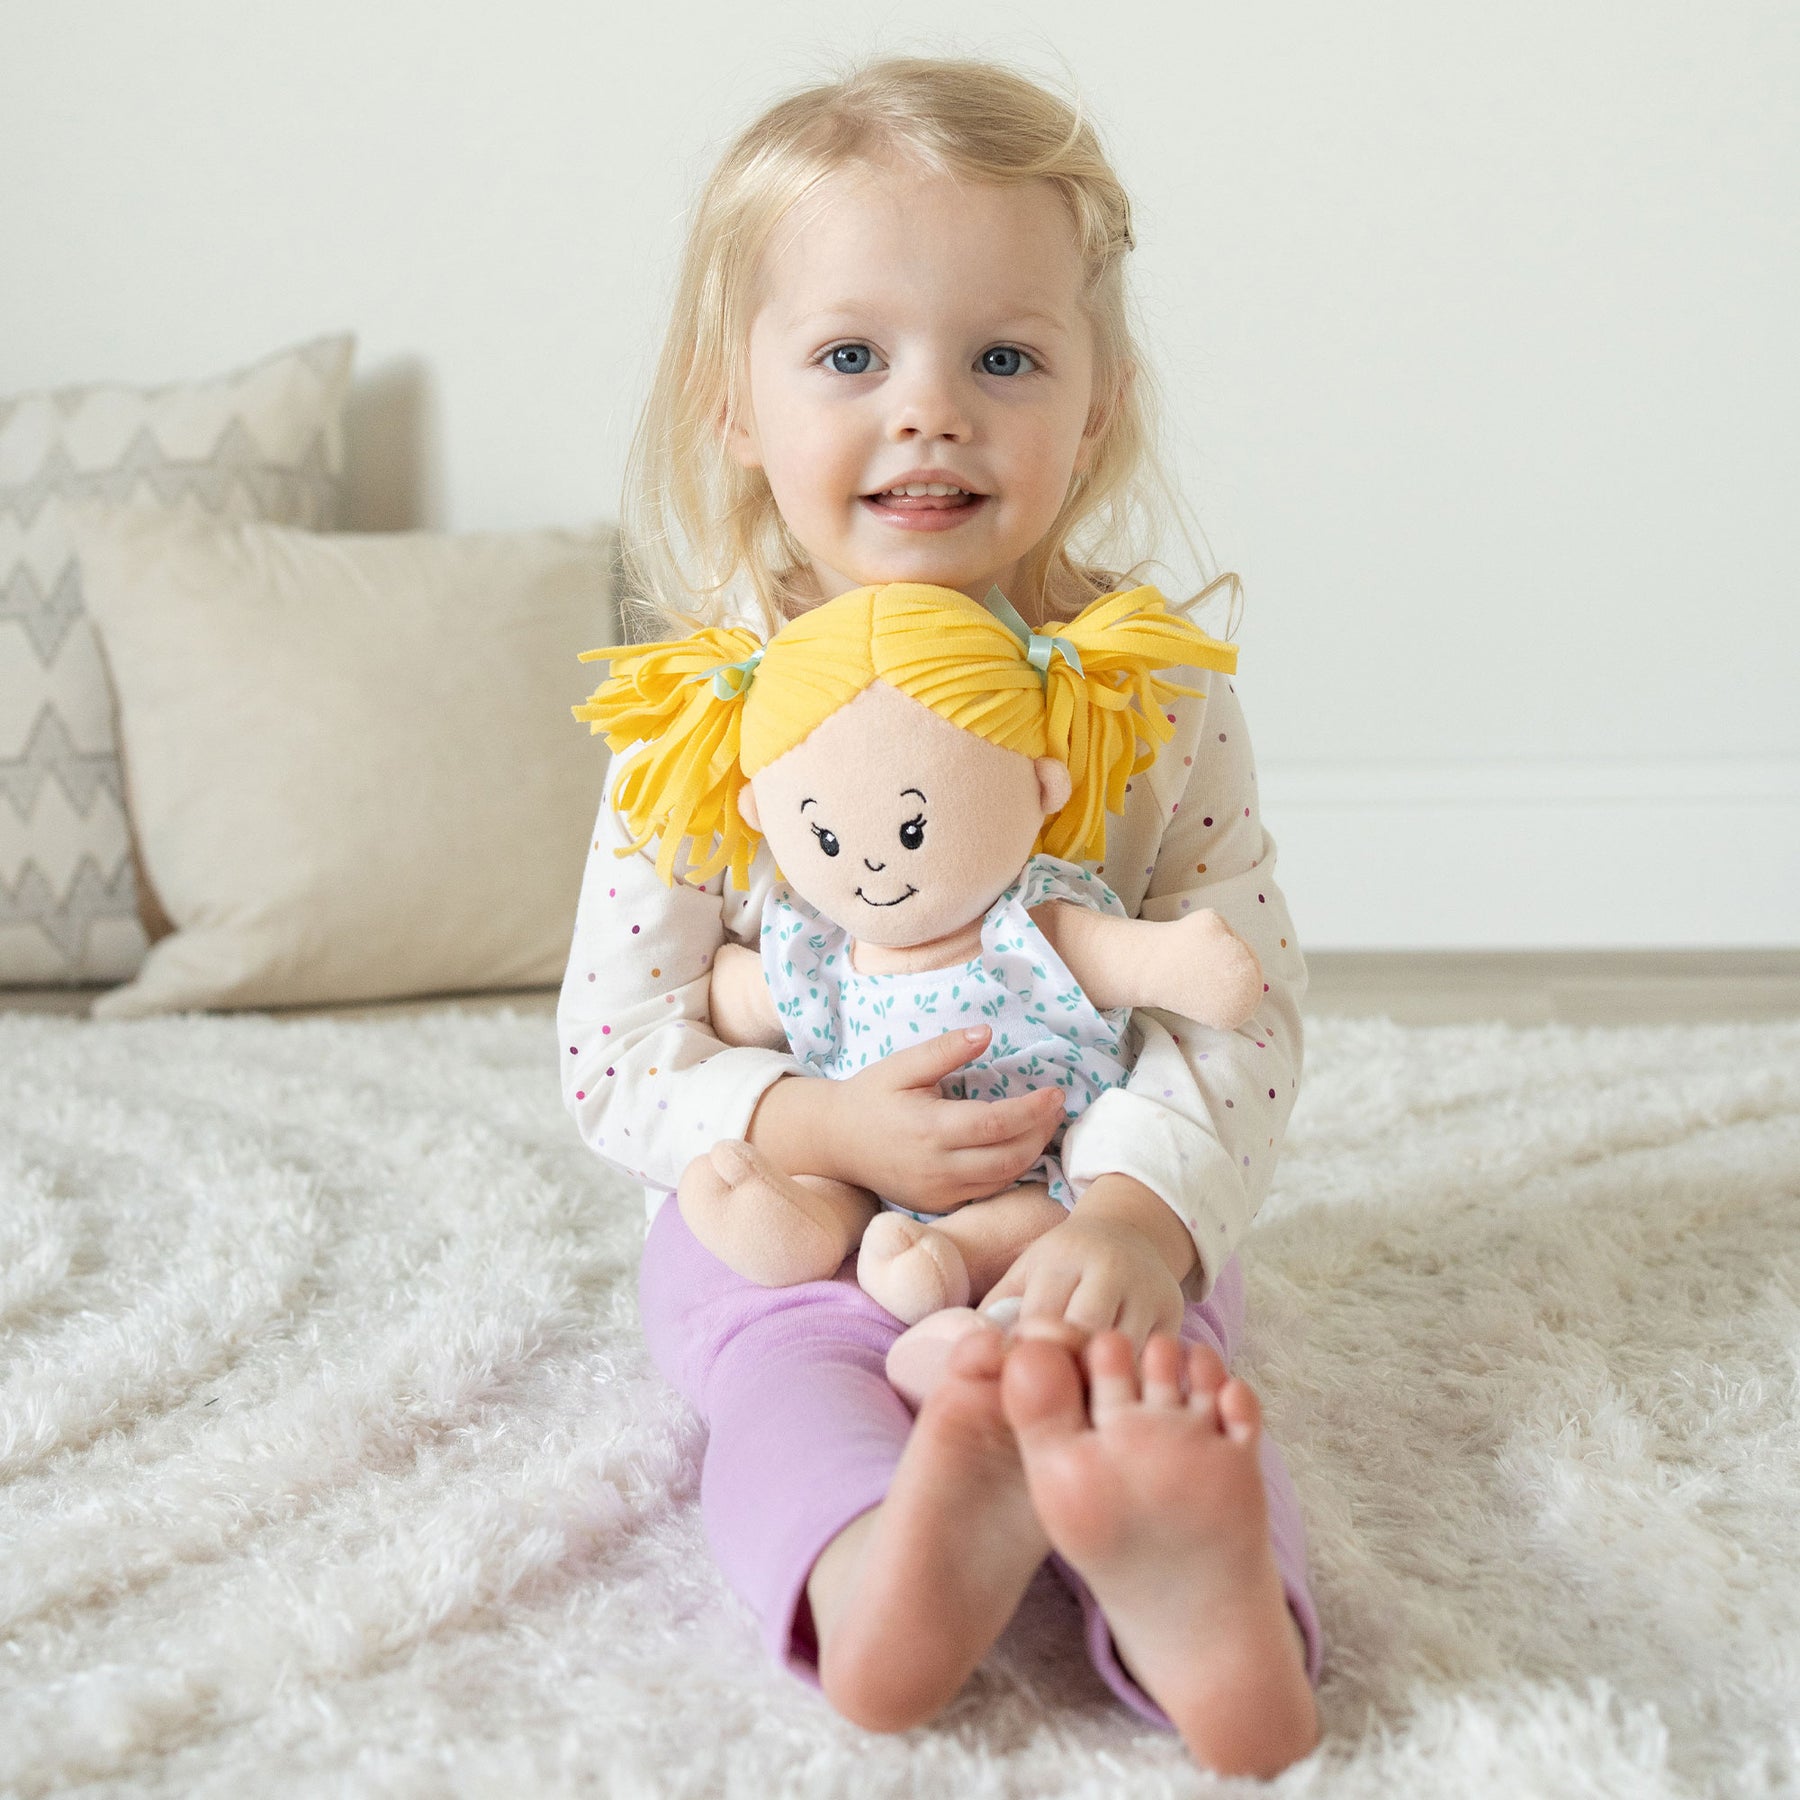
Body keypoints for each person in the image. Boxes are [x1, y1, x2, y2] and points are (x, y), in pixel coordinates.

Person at [559, 56, 1322, 1777]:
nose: (930, 412)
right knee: (785, 1381)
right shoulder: (701, 709)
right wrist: (810, 1124)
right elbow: (615, 1043)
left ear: (1097, 404)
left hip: (1072, 1200)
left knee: (1154, 1377)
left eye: (1004, 358)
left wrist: (1137, 1222)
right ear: (733, 401)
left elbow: (1237, 990)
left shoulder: (1147, 689)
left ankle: (1218, 1616)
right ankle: (884, 1571)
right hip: (796, 1222)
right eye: (852, 357)